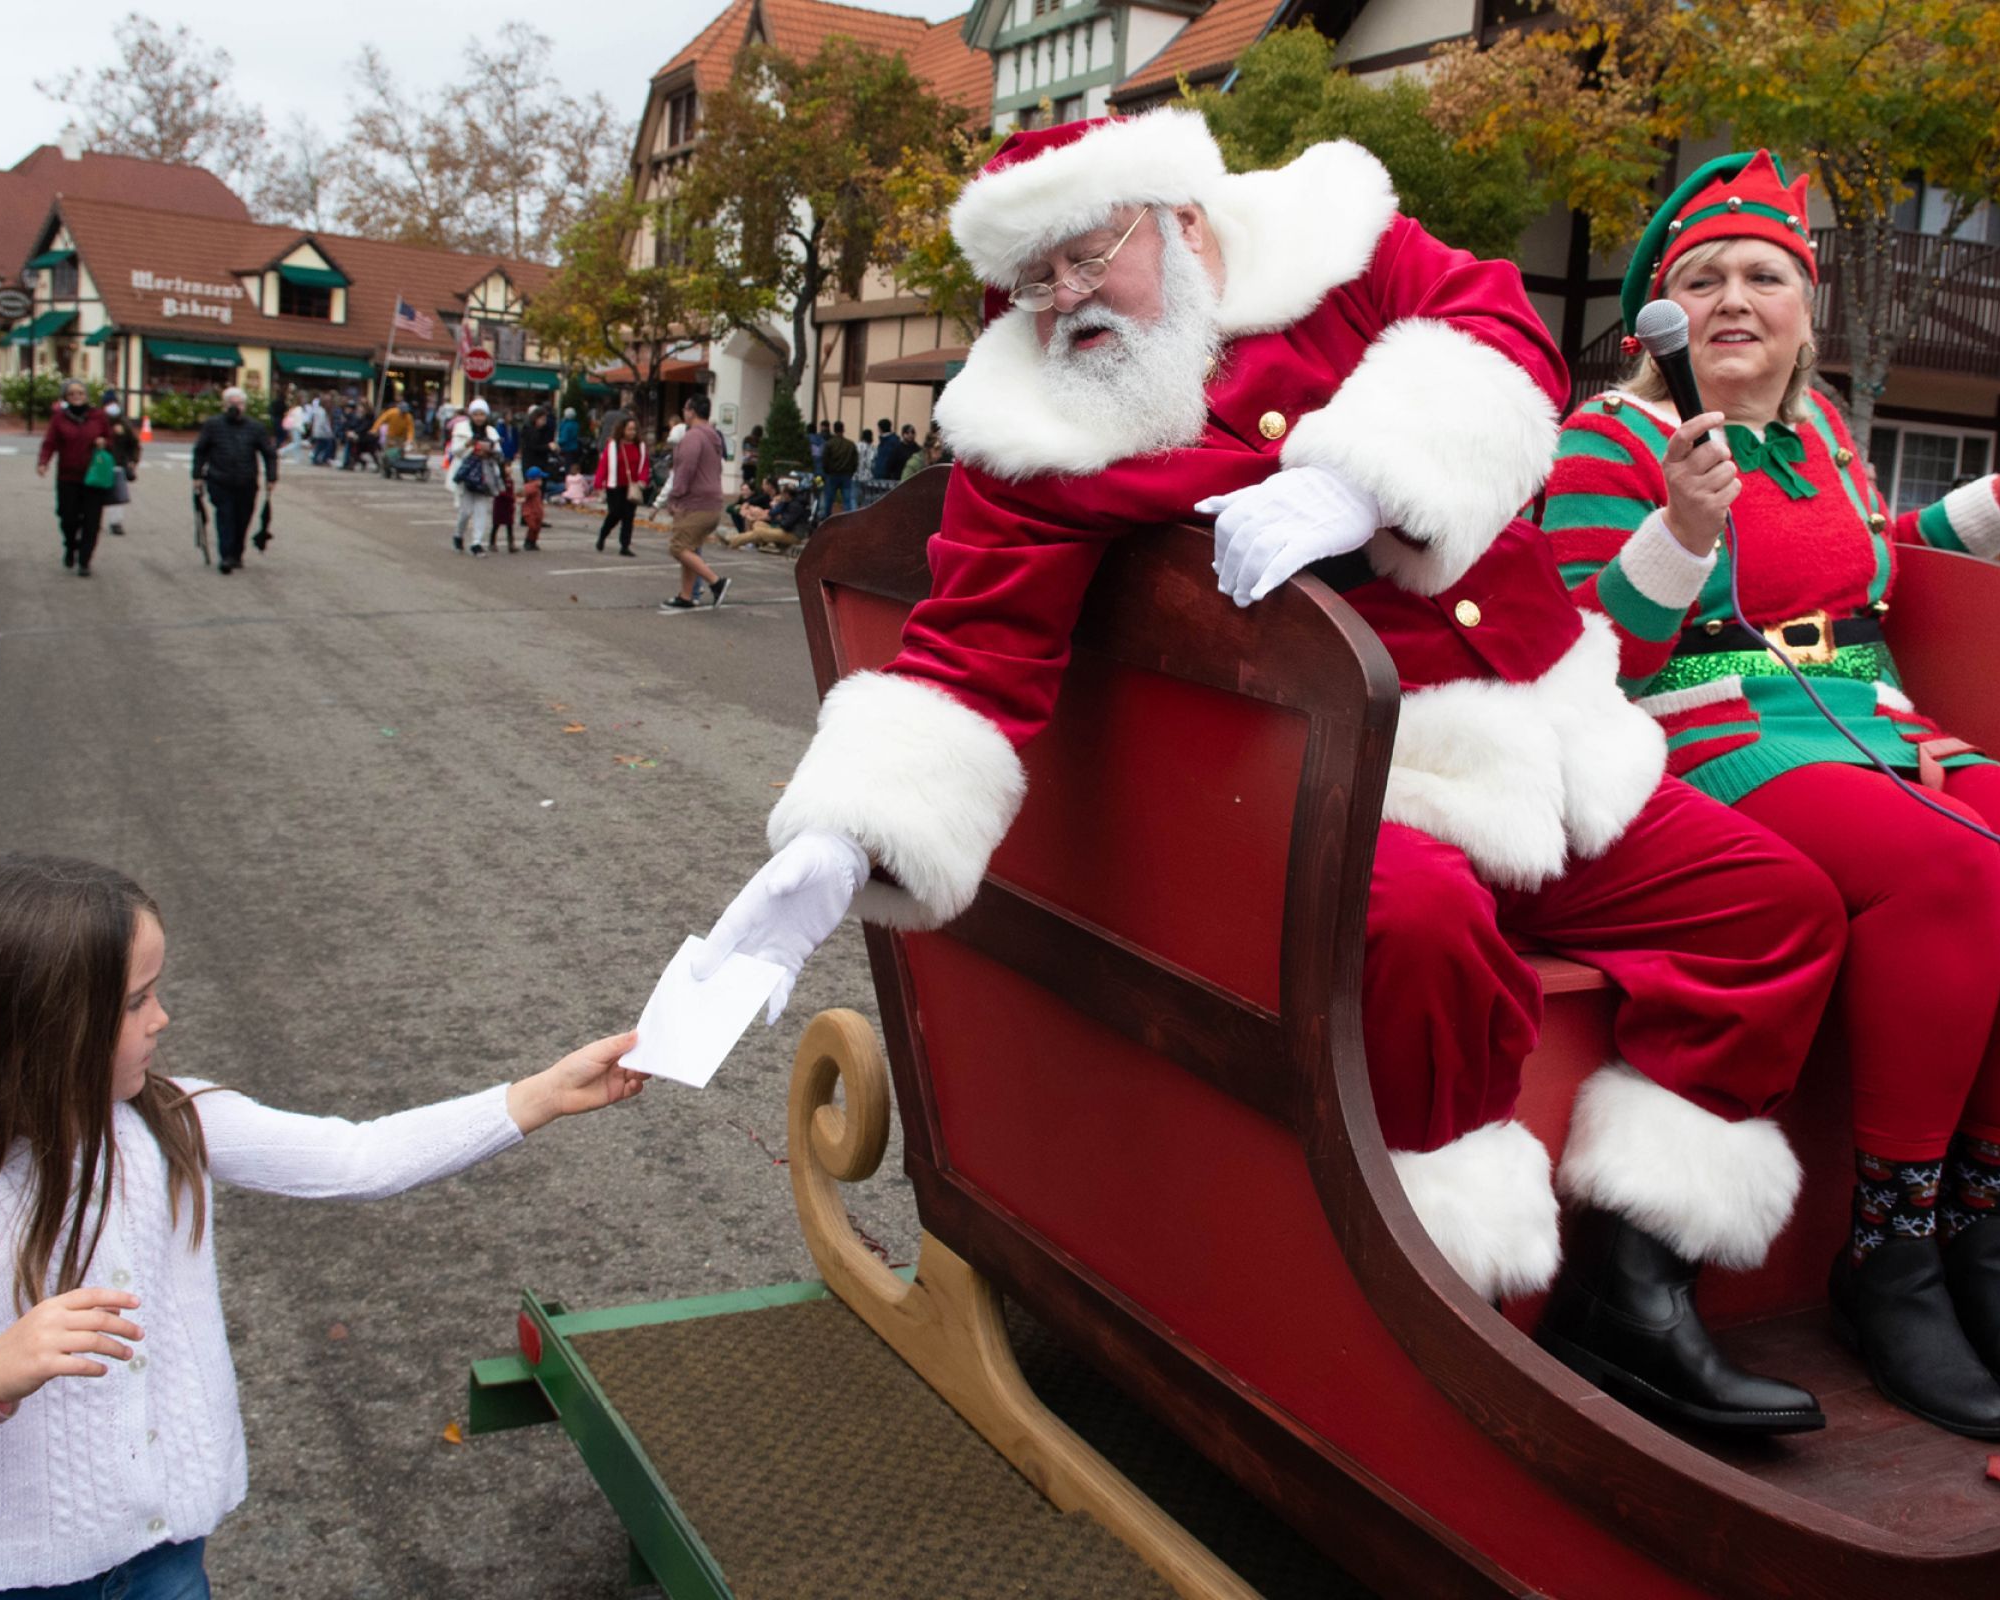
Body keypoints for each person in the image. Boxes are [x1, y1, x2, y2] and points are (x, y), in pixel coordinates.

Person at [691, 111, 1852, 1436]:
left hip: (1532, 732)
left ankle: (1636, 1290)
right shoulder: (1035, 435)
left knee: (1774, 907)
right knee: (1415, 925)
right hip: (1316, 784)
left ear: (1182, 220)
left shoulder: (1338, 246)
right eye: (1035, 279)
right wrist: (841, 842)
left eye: (1090, 254)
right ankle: (1440, 1292)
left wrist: (1367, 485)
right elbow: (974, 648)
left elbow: (1500, 327)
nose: (1067, 299)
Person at [1541, 149, 2000, 1439]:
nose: (1735, 297)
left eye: (1763, 275)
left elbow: (1882, 558)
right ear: (1660, 321)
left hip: (1874, 721)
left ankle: (1983, 1232)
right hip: (1710, 731)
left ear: (1809, 308)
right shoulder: (1614, 435)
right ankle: (1890, 1255)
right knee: (1942, 865)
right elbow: (1589, 653)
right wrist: (1681, 528)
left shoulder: (1822, 435)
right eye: (1703, 279)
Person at [0, 853, 644, 1598]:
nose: (162, 1020)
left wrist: (535, 1098)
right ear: (41, 1031)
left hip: (166, 1558)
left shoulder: (170, 1117)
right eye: (138, 1002)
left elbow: (354, 1159)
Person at [190, 388, 277, 575]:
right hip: (220, 480)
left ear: (244, 406)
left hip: (246, 483)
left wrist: (271, 477)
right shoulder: (213, 425)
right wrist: (196, 475)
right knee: (225, 516)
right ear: (224, 405)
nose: (235, 407)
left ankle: (237, 553)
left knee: (242, 519)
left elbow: (269, 454)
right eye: (231, 403)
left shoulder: (256, 428)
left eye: (239, 403)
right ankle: (226, 556)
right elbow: (200, 450)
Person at [659, 395, 731, 612]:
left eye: (685, 408)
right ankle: (686, 595)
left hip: (695, 503)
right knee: (689, 548)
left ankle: (716, 582)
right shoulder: (714, 437)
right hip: (712, 501)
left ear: (691, 411)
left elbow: (685, 471)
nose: (683, 412)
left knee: (678, 547)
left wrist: (675, 497)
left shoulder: (693, 437)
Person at [36, 382, 113, 576]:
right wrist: (43, 462)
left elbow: (111, 440)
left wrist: (104, 442)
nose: (76, 396)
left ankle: (85, 560)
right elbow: (50, 442)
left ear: (86, 395)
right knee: (67, 517)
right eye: (71, 394)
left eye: (80, 393)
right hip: (68, 477)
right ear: (66, 397)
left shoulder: (98, 416)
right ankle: (71, 546)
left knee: (92, 521)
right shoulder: (59, 418)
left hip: (94, 477)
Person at [594, 417, 647, 556]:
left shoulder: (640, 445)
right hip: (614, 485)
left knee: (629, 516)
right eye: (629, 429)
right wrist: (599, 483)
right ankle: (603, 535)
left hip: (632, 486)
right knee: (615, 513)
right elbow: (604, 464)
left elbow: (644, 465)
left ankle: (625, 545)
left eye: (634, 429)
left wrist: (642, 479)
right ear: (622, 429)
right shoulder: (613, 445)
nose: (632, 432)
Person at [453, 426, 508, 556]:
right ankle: (458, 534)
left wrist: (491, 450)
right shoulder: (463, 430)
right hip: (469, 480)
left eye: (482, 414)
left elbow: (500, 454)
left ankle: (476, 543)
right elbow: (456, 453)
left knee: (481, 512)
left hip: (485, 480)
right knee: (465, 512)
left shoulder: (491, 432)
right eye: (476, 414)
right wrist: (469, 445)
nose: (479, 417)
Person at [102, 404, 140, 537]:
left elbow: (134, 444)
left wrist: (133, 460)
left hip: (118, 463)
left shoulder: (125, 426)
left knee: (117, 495)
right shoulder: (99, 422)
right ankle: (91, 520)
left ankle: (116, 522)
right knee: (95, 494)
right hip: (100, 464)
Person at [818, 422, 857, 520]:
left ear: (834, 430)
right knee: (847, 500)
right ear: (843, 429)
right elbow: (855, 461)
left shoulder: (829, 444)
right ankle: (849, 520)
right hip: (846, 475)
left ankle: (826, 520)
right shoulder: (850, 444)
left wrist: (827, 471)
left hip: (832, 475)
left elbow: (824, 460)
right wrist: (851, 472)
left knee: (828, 500)